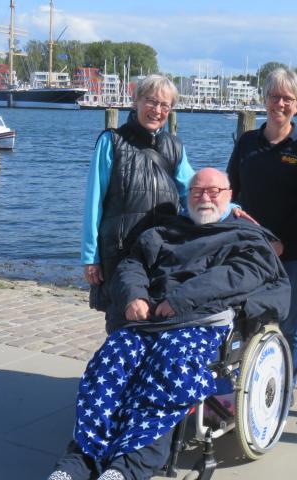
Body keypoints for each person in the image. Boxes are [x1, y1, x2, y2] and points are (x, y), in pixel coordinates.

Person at [49, 168, 290, 480]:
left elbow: (242, 273)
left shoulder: (245, 236)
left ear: (229, 197)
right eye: (197, 191)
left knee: (167, 367)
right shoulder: (163, 232)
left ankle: (130, 466)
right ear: (187, 197)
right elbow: (132, 264)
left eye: (214, 191)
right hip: (150, 320)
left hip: (202, 322)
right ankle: (79, 459)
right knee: (109, 363)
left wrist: (182, 298)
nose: (205, 197)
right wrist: (134, 296)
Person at [226, 67, 297, 382]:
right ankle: (246, 385)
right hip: (250, 249)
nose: (280, 103)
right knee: (247, 318)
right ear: (264, 99)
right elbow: (231, 191)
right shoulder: (247, 142)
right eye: (275, 96)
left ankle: (283, 387)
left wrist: (282, 243)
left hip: (294, 252)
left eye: (288, 98)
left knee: (288, 323)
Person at [80, 74, 194, 333]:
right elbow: (93, 202)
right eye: (151, 101)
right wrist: (90, 257)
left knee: (160, 324)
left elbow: (194, 193)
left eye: (165, 105)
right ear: (136, 102)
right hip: (121, 252)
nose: (157, 110)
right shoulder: (112, 142)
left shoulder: (175, 148)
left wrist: (231, 211)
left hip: (161, 253)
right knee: (123, 325)